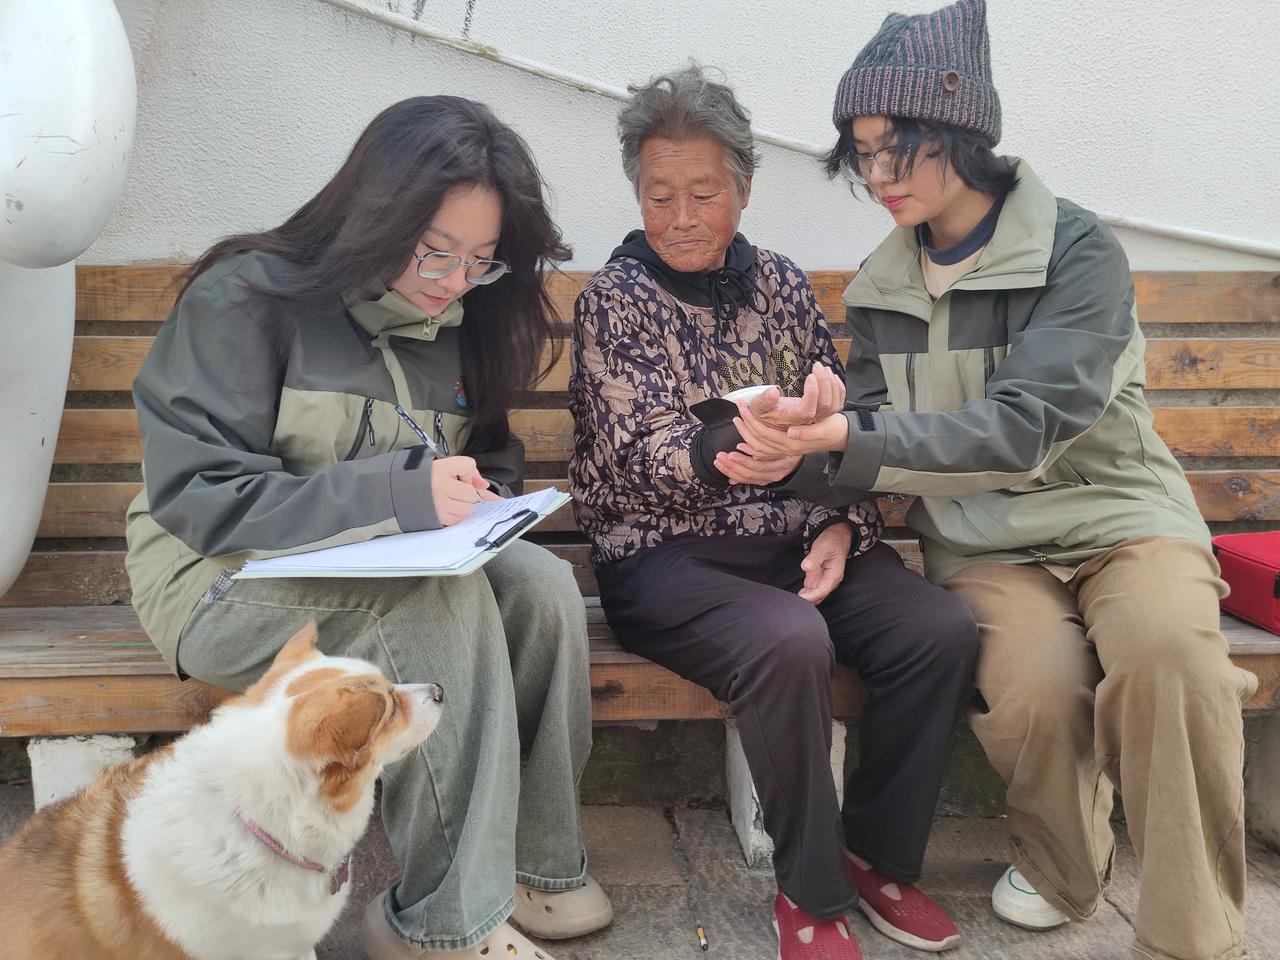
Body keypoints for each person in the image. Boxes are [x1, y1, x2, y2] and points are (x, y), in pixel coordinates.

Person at [719, 4, 1260, 959]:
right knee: (1033, 686)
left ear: (963, 132)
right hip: (982, 543)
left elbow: (1026, 425)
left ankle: (1194, 939)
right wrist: (821, 482)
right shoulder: (883, 287)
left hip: (1123, 520)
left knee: (1171, 659)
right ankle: (1066, 868)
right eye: (863, 154)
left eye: (897, 148)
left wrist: (844, 434)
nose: (878, 175)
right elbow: (870, 426)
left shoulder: (1076, 251)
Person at [125, 96, 613, 960]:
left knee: (542, 588)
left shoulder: (460, 323)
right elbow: (203, 496)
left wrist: (485, 500)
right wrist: (397, 494)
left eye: (482, 261)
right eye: (435, 252)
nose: (454, 281)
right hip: (219, 579)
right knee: (433, 605)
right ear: (375, 213)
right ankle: (442, 926)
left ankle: (536, 869)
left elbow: (488, 458)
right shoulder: (246, 298)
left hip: (383, 566)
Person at [569, 64, 980, 960]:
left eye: (704, 193)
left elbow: (841, 432)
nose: (682, 216)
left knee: (936, 629)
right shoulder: (614, 301)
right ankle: (812, 890)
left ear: (745, 190)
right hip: (666, 562)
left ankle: (877, 857)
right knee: (789, 641)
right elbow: (640, 455)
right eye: (660, 195)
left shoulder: (784, 286)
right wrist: (736, 445)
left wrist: (840, 522)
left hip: (795, 539)